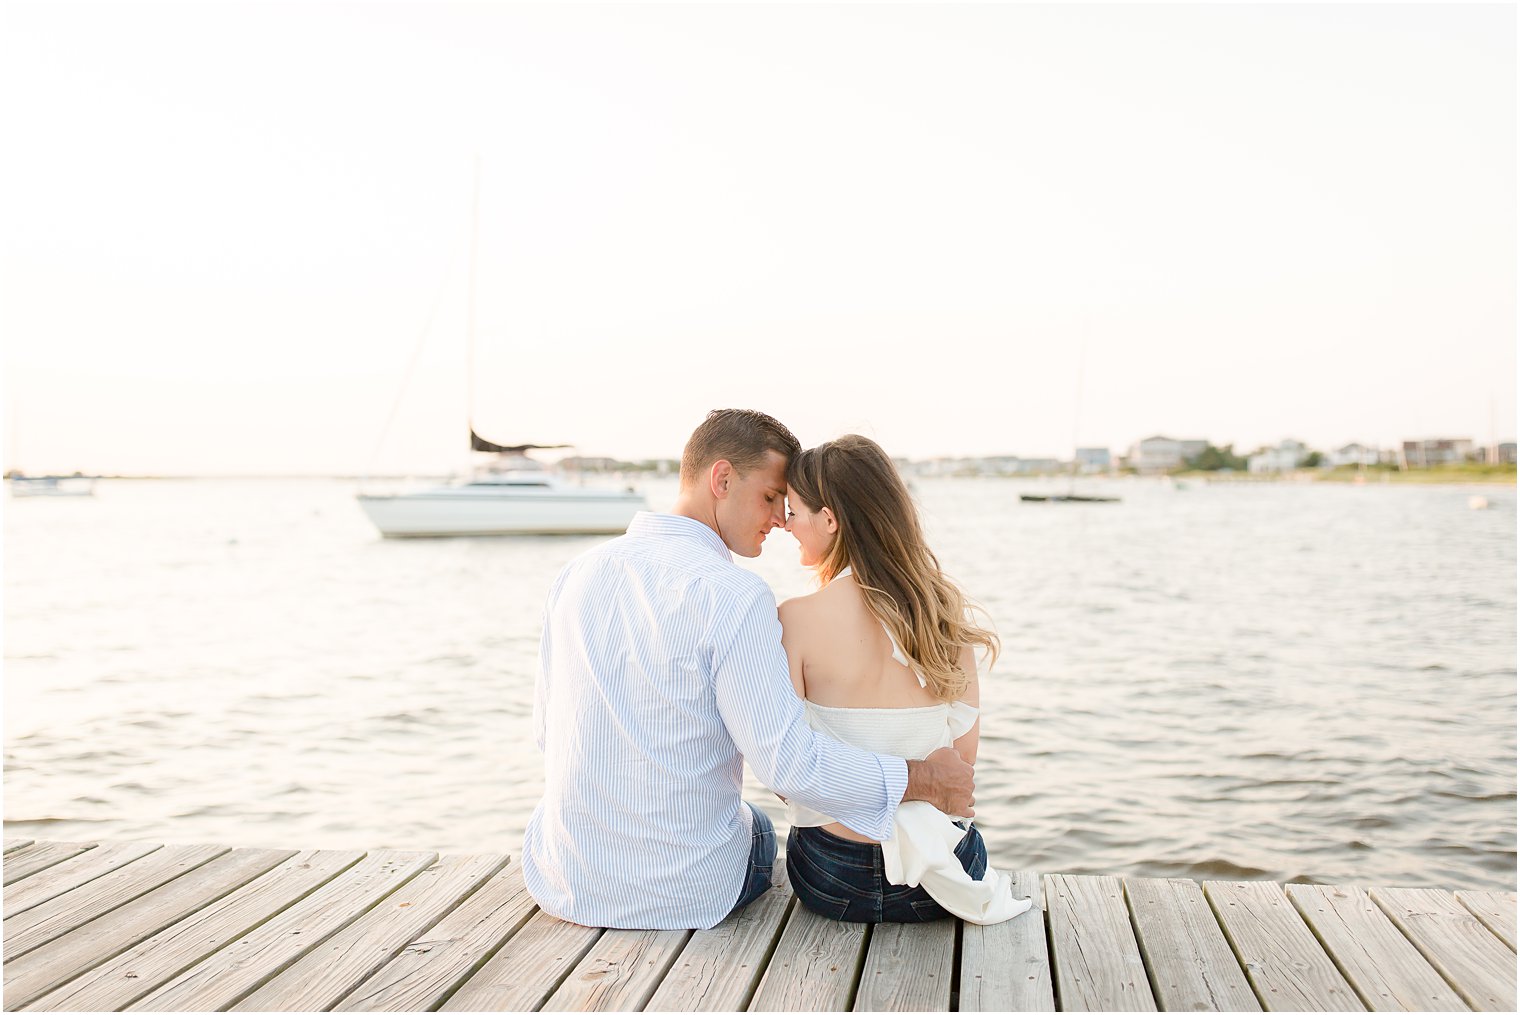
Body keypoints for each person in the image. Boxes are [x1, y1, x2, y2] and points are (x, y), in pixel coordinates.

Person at [521, 409, 976, 931]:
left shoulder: (575, 575)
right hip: (687, 892)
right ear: (721, 479)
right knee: (759, 828)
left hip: (566, 878)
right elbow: (788, 767)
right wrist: (923, 780)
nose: (781, 518)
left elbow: (546, 734)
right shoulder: (735, 596)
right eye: (769, 497)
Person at [779, 434, 1030, 925]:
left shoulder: (794, 620)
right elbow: (961, 767)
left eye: (793, 512)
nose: (787, 526)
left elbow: (790, 778)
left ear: (829, 520)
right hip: (941, 878)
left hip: (832, 876)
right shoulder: (943, 613)